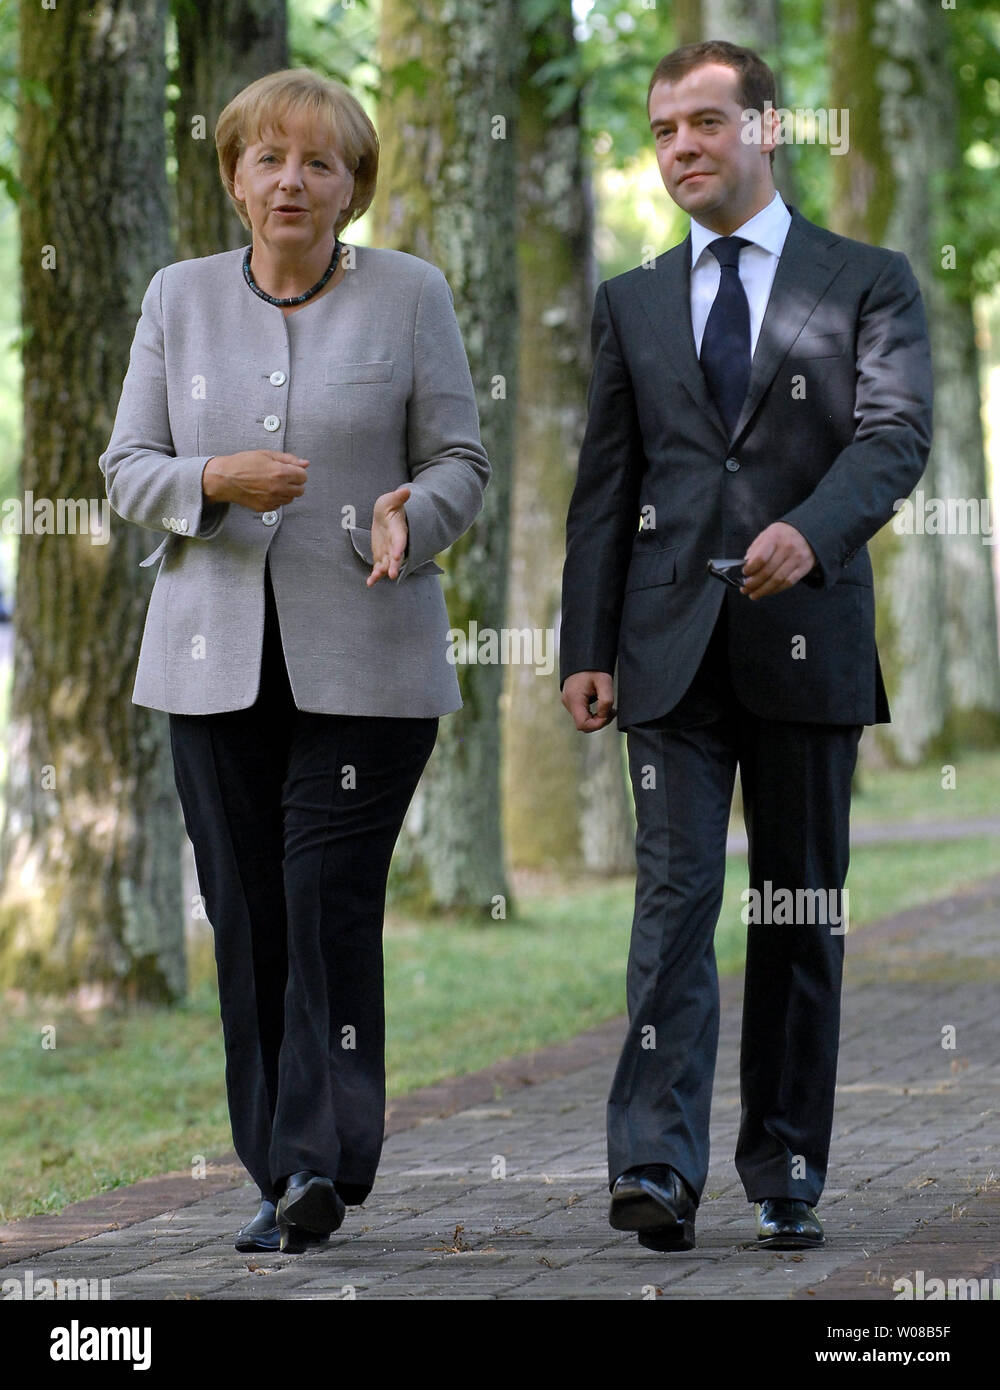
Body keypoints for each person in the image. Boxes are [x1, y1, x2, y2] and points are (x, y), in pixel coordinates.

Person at [99, 69, 489, 1253]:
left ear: (351, 188)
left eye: (320, 163)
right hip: (211, 664)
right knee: (248, 911)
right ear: (233, 178)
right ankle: (275, 1166)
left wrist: (409, 516)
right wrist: (211, 480)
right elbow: (126, 471)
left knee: (322, 899)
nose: (292, 181)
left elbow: (462, 461)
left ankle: (321, 1158)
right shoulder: (177, 297)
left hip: (367, 663)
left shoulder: (411, 295)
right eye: (269, 159)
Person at [559, 40, 932, 1252]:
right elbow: (604, 488)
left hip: (807, 638)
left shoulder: (868, 280)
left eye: (704, 124)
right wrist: (585, 643)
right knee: (671, 908)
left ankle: (786, 1165)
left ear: (767, 129)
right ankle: (654, 1169)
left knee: (794, 909)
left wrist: (810, 535)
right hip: (664, 649)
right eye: (663, 131)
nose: (680, 149)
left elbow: (892, 438)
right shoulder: (632, 299)